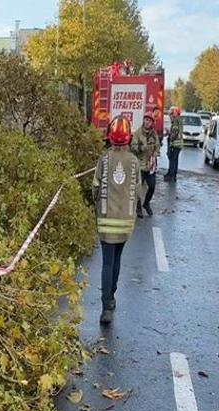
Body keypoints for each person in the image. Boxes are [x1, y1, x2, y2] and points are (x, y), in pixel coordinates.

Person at [92, 116, 141, 325]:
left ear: (111, 138)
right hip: (125, 221)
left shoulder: (103, 160)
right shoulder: (134, 162)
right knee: (117, 260)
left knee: (107, 263)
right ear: (128, 137)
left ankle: (105, 309)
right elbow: (138, 190)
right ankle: (111, 297)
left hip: (105, 220)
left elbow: (95, 187)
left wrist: (97, 206)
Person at [131, 113, 161, 217]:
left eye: (149, 121)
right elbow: (133, 147)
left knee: (152, 186)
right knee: (138, 188)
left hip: (151, 166)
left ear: (152, 122)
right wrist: (141, 148)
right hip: (140, 165)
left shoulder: (154, 134)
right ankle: (138, 207)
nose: (147, 122)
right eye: (146, 120)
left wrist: (156, 152)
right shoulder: (137, 133)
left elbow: (157, 145)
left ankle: (146, 203)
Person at [164, 107, 184, 182]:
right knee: (175, 160)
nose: (170, 116)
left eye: (171, 114)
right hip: (179, 144)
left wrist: (170, 138)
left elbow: (175, 132)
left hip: (175, 144)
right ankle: (173, 175)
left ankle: (171, 175)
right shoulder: (179, 120)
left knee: (172, 159)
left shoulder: (176, 120)